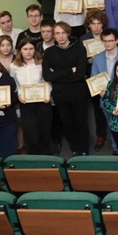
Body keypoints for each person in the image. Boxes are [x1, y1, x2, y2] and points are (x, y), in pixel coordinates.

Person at [42, 22, 90, 156]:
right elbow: (47, 76)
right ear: (54, 35)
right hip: (61, 95)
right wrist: (69, 71)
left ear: (68, 33)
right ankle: (75, 149)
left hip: (79, 93)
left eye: (63, 33)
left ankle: (84, 150)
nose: (61, 36)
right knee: (67, 124)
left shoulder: (80, 49)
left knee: (81, 123)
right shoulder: (49, 52)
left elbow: (80, 74)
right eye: (57, 33)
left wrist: (57, 75)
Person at [91, 29, 118, 156]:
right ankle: (116, 149)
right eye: (105, 41)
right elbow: (94, 78)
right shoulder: (98, 58)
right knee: (112, 125)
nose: (108, 44)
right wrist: (99, 90)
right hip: (105, 99)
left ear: (117, 41)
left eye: (110, 41)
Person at [11, 38, 52, 155]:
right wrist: (19, 94)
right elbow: (14, 83)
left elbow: (48, 80)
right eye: (25, 49)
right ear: (20, 50)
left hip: (43, 101)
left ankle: (47, 157)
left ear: (35, 50)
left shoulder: (42, 63)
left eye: (31, 49)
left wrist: (48, 93)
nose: (28, 52)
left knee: (45, 130)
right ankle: (34, 158)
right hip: (26, 103)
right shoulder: (14, 66)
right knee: (30, 132)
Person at [78, 10, 109, 153]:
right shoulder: (84, 39)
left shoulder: (108, 36)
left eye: (99, 23)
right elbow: (79, 61)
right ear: (88, 25)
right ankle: (100, 136)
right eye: (93, 24)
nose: (96, 27)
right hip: (93, 79)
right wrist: (89, 61)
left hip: (109, 76)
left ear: (103, 24)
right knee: (97, 109)